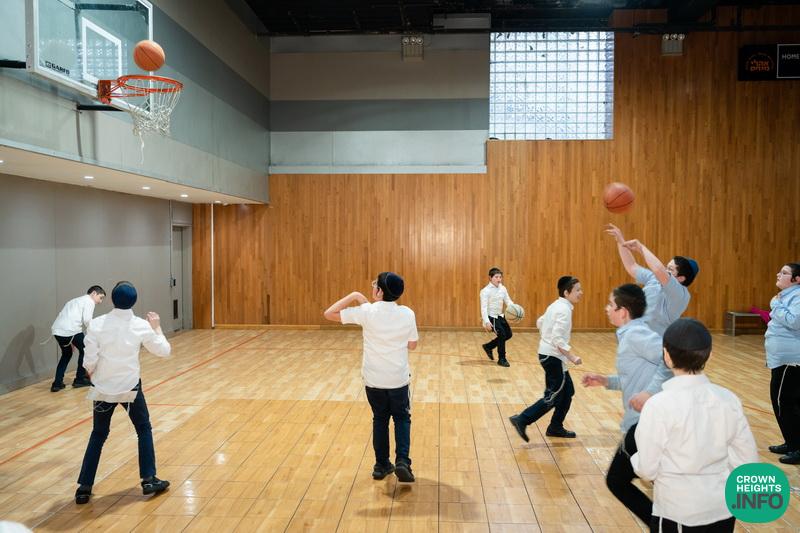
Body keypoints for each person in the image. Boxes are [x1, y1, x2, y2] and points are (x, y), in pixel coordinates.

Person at [631, 318, 759, 532]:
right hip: (722, 509)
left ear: (666, 355)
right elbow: (747, 460)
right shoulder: (728, 399)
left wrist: (637, 460)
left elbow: (647, 469)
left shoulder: (658, 405)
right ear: (710, 354)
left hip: (678, 512)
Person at [75, 281, 171, 504]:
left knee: (98, 434)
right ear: (134, 301)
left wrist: (93, 375)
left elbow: (89, 360)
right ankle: (148, 479)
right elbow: (164, 351)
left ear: (112, 300)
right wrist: (156, 327)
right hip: (130, 387)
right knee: (143, 429)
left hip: (102, 388)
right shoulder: (140, 325)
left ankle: (84, 487)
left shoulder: (97, 324)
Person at [324, 272, 419, 482]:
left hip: (374, 380)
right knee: (402, 419)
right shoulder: (407, 313)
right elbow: (412, 345)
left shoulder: (366, 312)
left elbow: (329, 313)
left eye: (375, 285)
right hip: (398, 379)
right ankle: (403, 461)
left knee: (380, 419)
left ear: (379, 291)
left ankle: (381, 465)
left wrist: (355, 295)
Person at [582, 284, 663, 525]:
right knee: (658, 482)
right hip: (642, 422)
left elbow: (672, 359)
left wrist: (649, 393)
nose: (606, 309)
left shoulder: (637, 335)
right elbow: (633, 377)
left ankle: (661, 526)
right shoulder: (630, 335)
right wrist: (606, 381)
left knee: (617, 480)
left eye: (611, 305)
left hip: (644, 424)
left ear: (623, 311)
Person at [605, 223, 698, 412]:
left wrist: (641, 248)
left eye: (670, 269)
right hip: (637, 347)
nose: (665, 269)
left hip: (654, 353)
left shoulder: (679, 294)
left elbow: (657, 269)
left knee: (655, 399)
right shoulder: (654, 280)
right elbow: (632, 266)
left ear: (681, 278)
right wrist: (621, 241)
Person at [509, 276, 583, 441]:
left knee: (567, 392)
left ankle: (555, 427)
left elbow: (540, 322)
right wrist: (572, 357)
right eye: (577, 290)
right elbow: (557, 339)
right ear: (566, 292)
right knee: (553, 396)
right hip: (553, 357)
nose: (581, 293)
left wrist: (546, 338)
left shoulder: (555, 305)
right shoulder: (563, 310)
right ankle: (522, 419)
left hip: (550, 355)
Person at [764, 262, 800, 464]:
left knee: (784, 402)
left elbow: (795, 321)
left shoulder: (797, 296)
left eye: (784, 273)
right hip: (781, 359)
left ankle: (797, 447)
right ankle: (791, 441)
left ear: (796, 279)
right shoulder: (787, 296)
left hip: (790, 360)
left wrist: (775, 305)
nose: (778, 274)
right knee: (786, 402)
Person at [50, 285, 105, 391]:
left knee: (66, 354)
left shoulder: (73, 301)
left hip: (57, 331)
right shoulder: (89, 301)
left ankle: (57, 383)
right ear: (94, 293)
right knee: (85, 350)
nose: (100, 301)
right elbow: (87, 321)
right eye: (100, 297)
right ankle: (80, 379)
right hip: (71, 330)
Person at [480, 267, 515, 367]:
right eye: (496, 277)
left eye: (500, 277)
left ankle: (488, 346)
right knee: (502, 335)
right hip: (491, 317)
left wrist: (515, 308)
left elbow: (508, 301)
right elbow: (483, 308)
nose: (499, 279)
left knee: (508, 334)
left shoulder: (503, 288)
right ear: (490, 278)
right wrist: (486, 322)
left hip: (500, 316)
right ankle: (502, 359)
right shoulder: (485, 291)